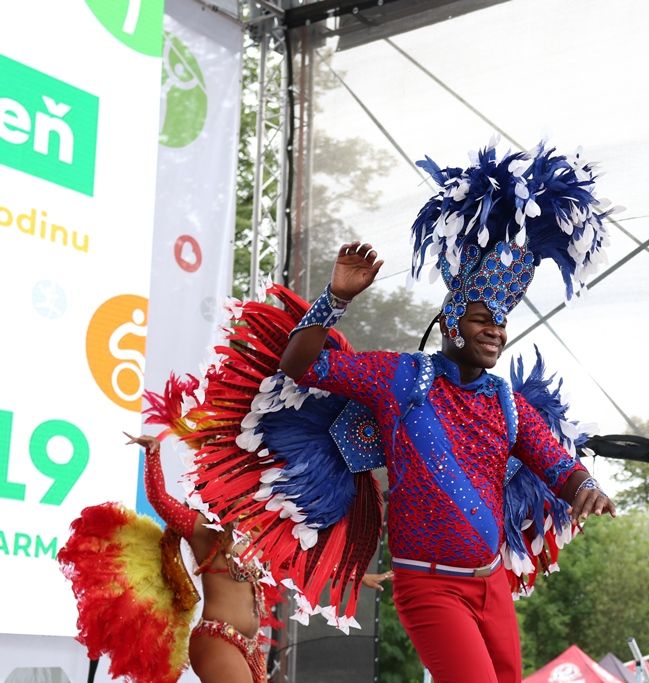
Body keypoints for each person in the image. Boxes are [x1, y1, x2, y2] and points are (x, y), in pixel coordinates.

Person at [274, 141, 618, 682]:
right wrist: (336, 298)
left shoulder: (506, 400)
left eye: (501, 322)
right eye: (484, 319)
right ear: (452, 323)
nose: (496, 330)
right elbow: (302, 365)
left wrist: (585, 490)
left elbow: (555, 462)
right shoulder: (402, 378)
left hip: (491, 584)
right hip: (428, 585)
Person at [58, 433, 392, 683]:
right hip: (217, 639)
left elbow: (301, 565)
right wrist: (153, 454)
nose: (248, 491)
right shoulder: (205, 529)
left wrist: (355, 575)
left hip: (250, 647)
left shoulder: (261, 534)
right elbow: (159, 500)